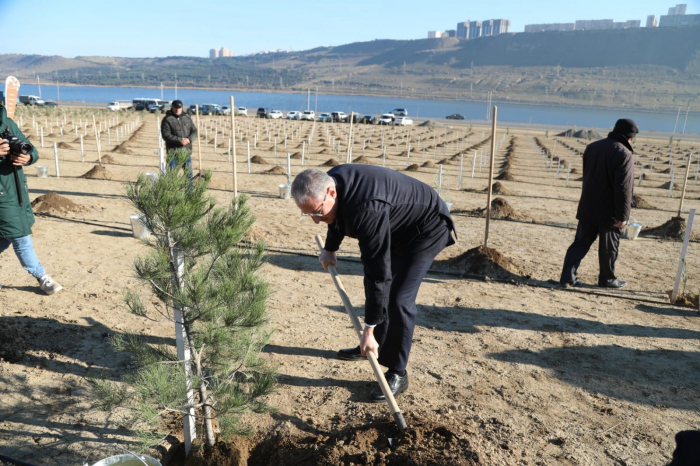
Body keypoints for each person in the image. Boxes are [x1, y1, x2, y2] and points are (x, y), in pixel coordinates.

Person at [291, 165, 456, 402]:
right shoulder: (330, 182)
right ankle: (373, 347)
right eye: (307, 214)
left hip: (425, 229)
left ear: (331, 192)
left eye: (317, 211)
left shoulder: (366, 208)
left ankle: (398, 372)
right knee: (385, 294)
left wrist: (367, 329)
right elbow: (334, 216)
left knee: (399, 298)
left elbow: (377, 273)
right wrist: (330, 249)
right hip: (395, 224)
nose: (316, 221)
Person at [560, 118, 638, 289]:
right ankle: (607, 279)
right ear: (630, 138)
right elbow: (624, 188)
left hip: (588, 205)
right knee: (609, 248)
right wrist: (623, 216)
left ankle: (567, 277)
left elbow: (588, 175)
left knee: (580, 243)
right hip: (609, 211)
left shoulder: (592, 147)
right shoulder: (624, 154)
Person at [0, 103, 62, 295]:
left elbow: (30, 148)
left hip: (18, 192)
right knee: (21, 237)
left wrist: (28, 158)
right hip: (3, 196)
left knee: (6, 237)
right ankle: (42, 278)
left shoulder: (7, 123)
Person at [160, 100, 197, 177]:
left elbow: (194, 131)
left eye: (179, 107)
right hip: (173, 153)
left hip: (186, 152)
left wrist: (189, 139)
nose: (177, 109)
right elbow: (166, 135)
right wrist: (180, 140)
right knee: (172, 176)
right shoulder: (167, 119)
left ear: (182, 108)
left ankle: (189, 189)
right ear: (172, 108)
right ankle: (171, 189)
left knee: (189, 175)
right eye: (175, 107)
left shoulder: (187, 118)